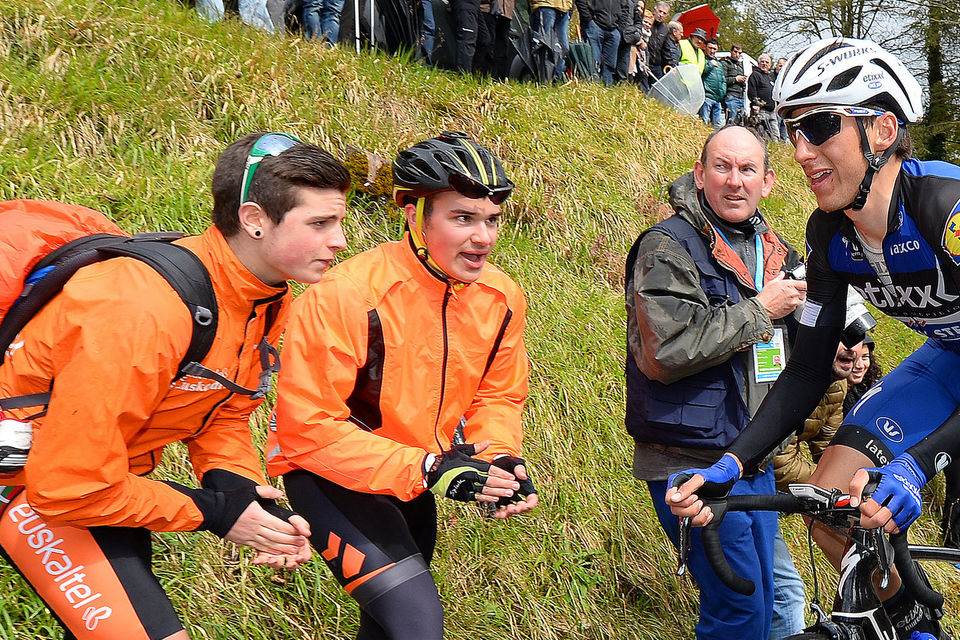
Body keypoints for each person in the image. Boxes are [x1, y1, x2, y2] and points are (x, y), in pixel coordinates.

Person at [0, 132, 351, 640]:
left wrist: (238, 489)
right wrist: (214, 512)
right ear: (254, 219)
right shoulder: (142, 308)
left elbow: (223, 410)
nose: (339, 241)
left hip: (110, 486)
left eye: (337, 222)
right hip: (34, 488)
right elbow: (67, 487)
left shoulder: (265, 295)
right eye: (319, 224)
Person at [668, 37, 960, 639]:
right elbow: (805, 371)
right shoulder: (831, 235)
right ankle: (912, 629)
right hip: (947, 361)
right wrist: (733, 460)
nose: (799, 150)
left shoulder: (946, 211)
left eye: (820, 127)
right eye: (791, 128)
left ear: (882, 130)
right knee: (831, 502)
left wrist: (920, 465)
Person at [266, 132, 539, 640]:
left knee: (386, 630)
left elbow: (496, 397)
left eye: (492, 220)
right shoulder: (344, 295)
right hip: (332, 479)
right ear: (413, 215)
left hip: (416, 479)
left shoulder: (501, 297)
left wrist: (499, 456)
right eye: (463, 218)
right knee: (417, 625)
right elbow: (307, 429)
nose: (483, 238)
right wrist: (430, 467)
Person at [626, 125, 808, 640]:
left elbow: (772, 350)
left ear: (768, 182)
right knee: (739, 610)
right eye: (722, 167)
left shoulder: (775, 250)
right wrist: (760, 310)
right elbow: (666, 349)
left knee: (769, 601)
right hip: (689, 463)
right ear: (700, 176)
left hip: (753, 456)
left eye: (748, 169)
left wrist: (825, 351)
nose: (735, 181)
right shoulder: (667, 246)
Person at [773, 339, 857, 490]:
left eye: (858, 338)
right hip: (741, 472)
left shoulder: (836, 384)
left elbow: (829, 445)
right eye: (842, 337)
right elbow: (778, 465)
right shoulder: (781, 376)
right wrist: (833, 485)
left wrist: (853, 477)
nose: (851, 346)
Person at [575, 0, 629, 87]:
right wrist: (589, 20)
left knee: (610, 65)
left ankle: (607, 90)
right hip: (594, 27)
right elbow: (581, 2)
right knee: (593, 62)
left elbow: (626, 7)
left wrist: (619, 28)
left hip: (614, 30)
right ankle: (592, 89)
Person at [529, 0, 574, 80]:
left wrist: (570, 6)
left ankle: (556, 80)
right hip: (545, 5)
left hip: (564, 8)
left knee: (564, 48)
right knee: (545, 45)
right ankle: (543, 80)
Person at [842, 334, 881, 417]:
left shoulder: (871, 389)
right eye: (853, 358)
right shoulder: (828, 392)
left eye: (865, 357)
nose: (860, 365)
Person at [747, 54, 779, 141]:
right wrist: (755, 105)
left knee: (776, 136)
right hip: (761, 111)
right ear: (758, 63)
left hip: (772, 111)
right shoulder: (755, 75)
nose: (764, 64)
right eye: (762, 62)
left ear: (770, 65)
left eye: (767, 62)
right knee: (763, 136)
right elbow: (751, 92)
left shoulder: (771, 77)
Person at [700, 37, 726, 128]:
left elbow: (723, 79)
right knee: (704, 122)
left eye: (714, 49)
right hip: (707, 97)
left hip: (718, 98)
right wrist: (711, 64)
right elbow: (701, 71)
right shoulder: (702, 59)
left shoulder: (720, 64)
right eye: (710, 48)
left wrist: (722, 92)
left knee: (718, 126)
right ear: (705, 47)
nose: (712, 51)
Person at [721, 43, 747, 124]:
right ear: (731, 51)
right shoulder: (725, 63)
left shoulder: (740, 65)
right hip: (731, 96)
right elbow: (723, 80)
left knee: (740, 122)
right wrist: (736, 79)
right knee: (731, 121)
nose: (737, 54)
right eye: (735, 52)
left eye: (739, 53)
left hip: (741, 97)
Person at [645, 1, 670, 78]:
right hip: (645, 62)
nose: (661, 15)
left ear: (667, 16)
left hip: (657, 65)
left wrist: (670, 65)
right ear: (654, 10)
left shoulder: (665, 29)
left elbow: (666, 50)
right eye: (660, 11)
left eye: (664, 13)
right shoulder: (646, 22)